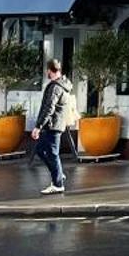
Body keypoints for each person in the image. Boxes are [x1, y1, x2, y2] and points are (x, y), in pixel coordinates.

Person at [28, 59, 75, 195]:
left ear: (49, 70)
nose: (46, 72)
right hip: (55, 124)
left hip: (53, 125)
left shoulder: (56, 87)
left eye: (47, 70)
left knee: (52, 154)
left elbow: (49, 108)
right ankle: (58, 173)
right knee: (40, 149)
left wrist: (38, 126)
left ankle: (58, 184)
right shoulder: (63, 84)